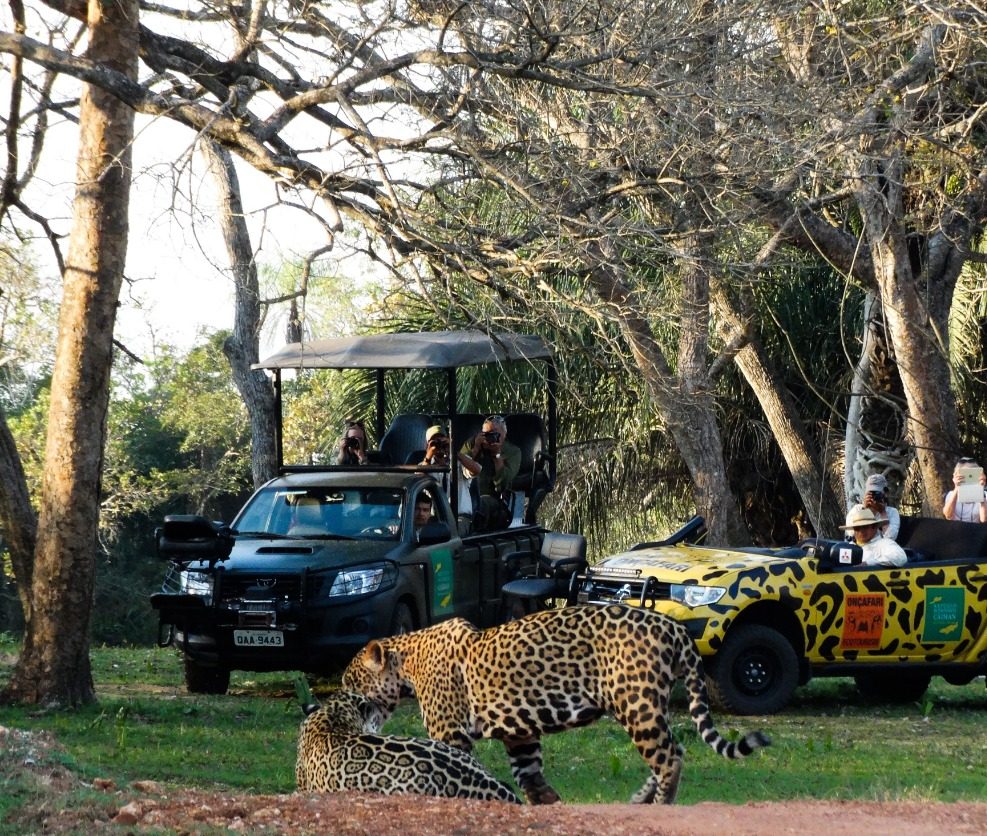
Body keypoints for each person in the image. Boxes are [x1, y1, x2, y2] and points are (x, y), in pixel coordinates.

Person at [459, 415, 521, 531]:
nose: (491, 437)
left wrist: (496, 455)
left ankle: (470, 531)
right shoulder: (472, 443)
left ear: (504, 434)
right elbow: (459, 466)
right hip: (466, 492)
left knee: (480, 504)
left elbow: (503, 482)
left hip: (493, 497)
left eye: (495, 433)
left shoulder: (513, 452)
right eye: (487, 434)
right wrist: (476, 448)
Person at [839, 506, 907, 567]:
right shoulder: (848, 547)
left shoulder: (884, 544)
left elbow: (900, 557)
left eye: (865, 527)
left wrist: (869, 563)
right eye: (857, 528)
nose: (861, 531)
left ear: (874, 527)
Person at [849, 473, 900, 540]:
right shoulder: (857, 509)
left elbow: (891, 538)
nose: (874, 496)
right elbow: (851, 533)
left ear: (885, 494)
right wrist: (864, 511)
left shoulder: (892, 512)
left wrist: (883, 513)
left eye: (877, 493)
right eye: (871, 493)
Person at [942, 457, 987, 522]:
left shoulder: (984, 495)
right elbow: (948, 515)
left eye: (971, 475)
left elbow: (984, 520)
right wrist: (957, 487)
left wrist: (981, 492)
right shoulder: (951, 495)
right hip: (956, 530)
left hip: (974, 530)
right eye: (964, 475)